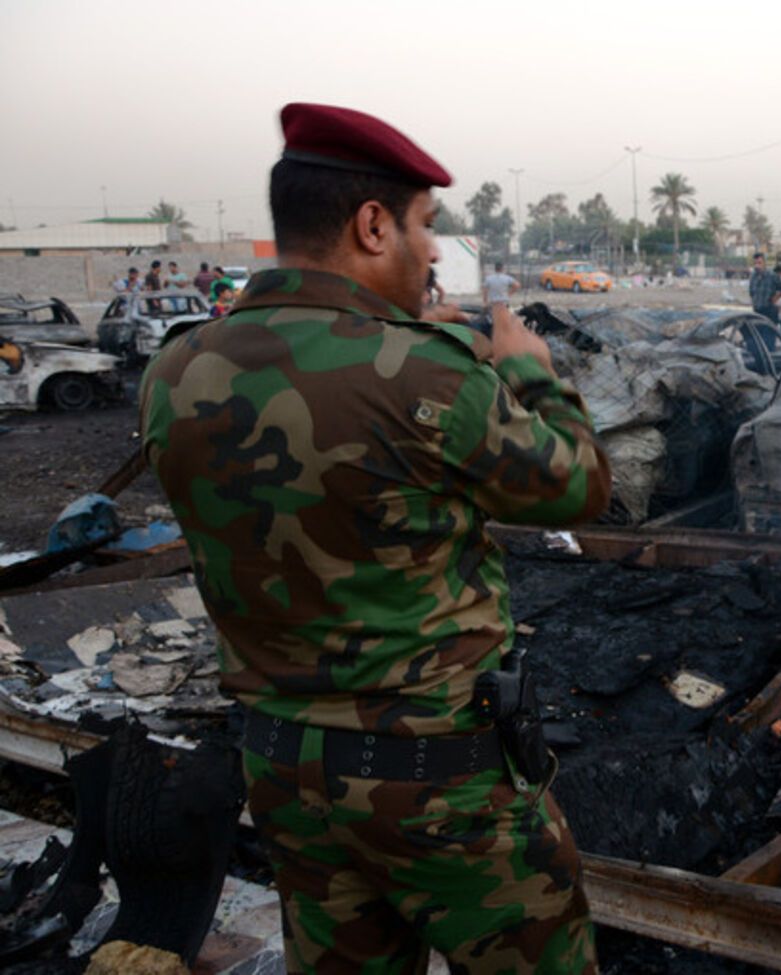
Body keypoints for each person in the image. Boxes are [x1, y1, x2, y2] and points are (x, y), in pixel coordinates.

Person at [139, 102, 607, 975]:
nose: (432, 251)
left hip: (283, 771)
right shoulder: (429, 370)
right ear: (371, 224)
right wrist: (532, 376)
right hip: (440, 783)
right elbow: (578, 487)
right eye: (426, 225)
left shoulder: (176, 369)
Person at [748, 252, 781, 324]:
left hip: (770, 311)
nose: (757, 266)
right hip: (757, 311)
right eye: (755, 263)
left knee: (768, 334)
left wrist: (777, 297)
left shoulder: (772, 275)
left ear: (764, 263)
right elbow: (751, 292)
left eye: (759, 263)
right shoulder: (753, 276)